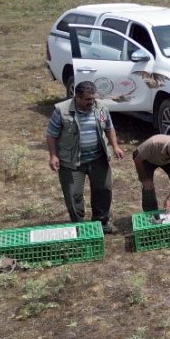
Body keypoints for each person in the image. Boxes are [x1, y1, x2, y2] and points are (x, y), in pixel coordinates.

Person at [45, 81, 125, 233]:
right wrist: (53, 156)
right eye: (88, 99)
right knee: (73, 194)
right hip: (72, 162)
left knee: (104, 190)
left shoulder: (101, 108)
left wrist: (115, 146)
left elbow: (109, 128)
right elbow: (51, 135)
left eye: (93, 98)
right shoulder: (62, 110)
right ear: (78, 98)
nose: (92, 102)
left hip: (98, 158)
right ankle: (80, 226)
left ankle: (101, 223)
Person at [133, 134, 170, 212]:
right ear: (169, 149)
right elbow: (137, 160)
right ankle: (151, 214)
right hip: (147, 159)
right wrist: (144, 179)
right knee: (148, 186)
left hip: (168, 160)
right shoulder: (153, 143)